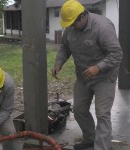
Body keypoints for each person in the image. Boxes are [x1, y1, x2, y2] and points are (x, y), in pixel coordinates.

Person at [52, 0, 123, 150]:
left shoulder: (103, 27)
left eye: (72, 23)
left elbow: (117, 54)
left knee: (102, 114)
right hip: (83, 76)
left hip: (104, 77)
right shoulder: (71, 28)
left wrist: (98, 67)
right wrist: (59, 63)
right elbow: (65, 47)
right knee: (78, 110)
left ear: (82, 16)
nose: (70, 27)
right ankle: (90, 138)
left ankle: (101, 147)